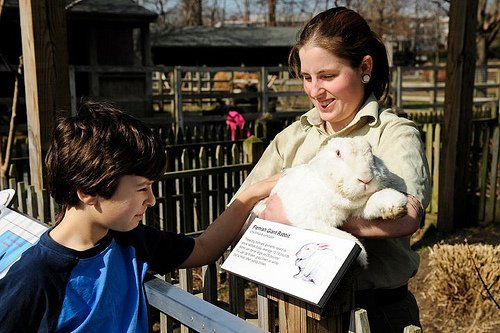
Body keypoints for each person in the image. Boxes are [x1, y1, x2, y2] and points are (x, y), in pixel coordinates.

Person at [0, 100, 278, 332]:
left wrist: (251, 195)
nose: (152, 200)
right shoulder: (34, 278)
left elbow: (204, 249)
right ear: (88, 191)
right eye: (142, 188)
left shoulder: (131, 241)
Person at [233, 7, 431, 333]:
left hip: (374, 312)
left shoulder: (392, 133)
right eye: (307, 78)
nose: (314, 91)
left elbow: (407, 216)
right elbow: (243, 207)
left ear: (364, 67)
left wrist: (303, 217)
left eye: (327, 76)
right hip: (294, 309)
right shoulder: (293, 137)